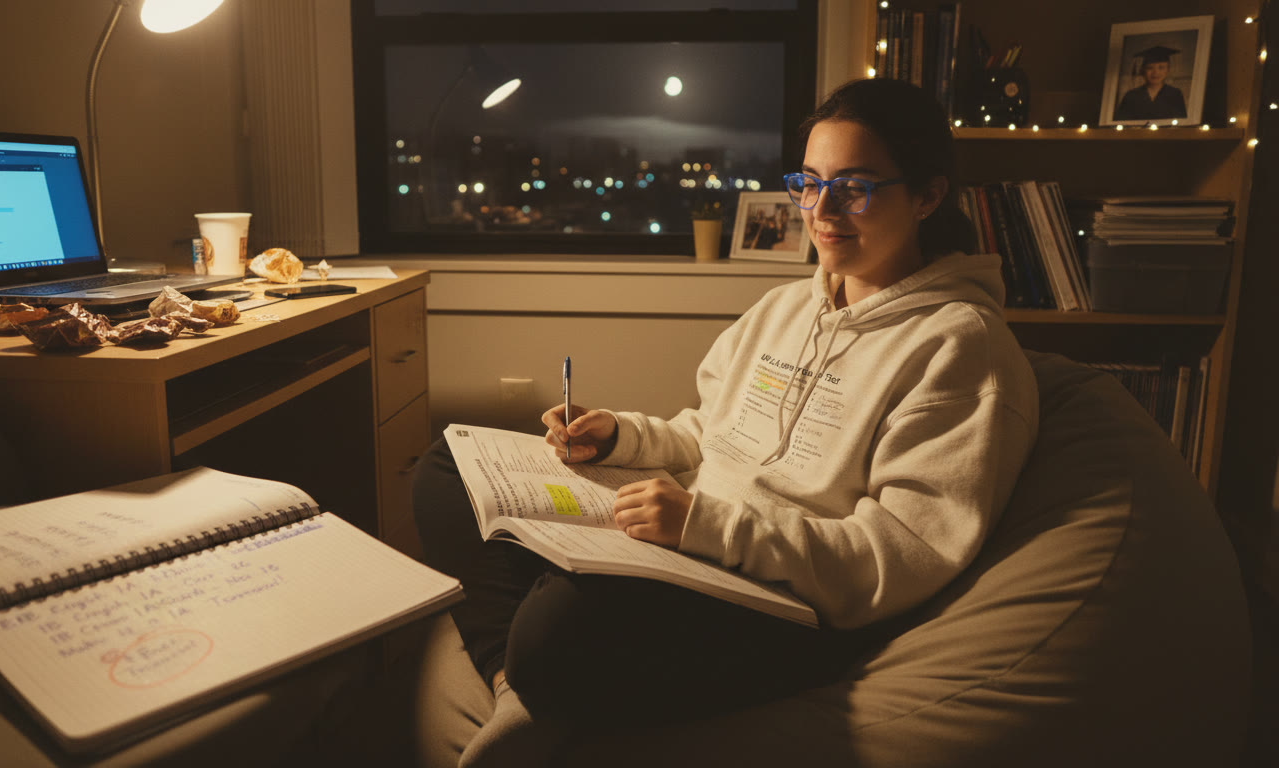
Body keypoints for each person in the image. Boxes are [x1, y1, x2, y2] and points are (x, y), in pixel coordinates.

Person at [413, 76, 1039, 767]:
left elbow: (898, 555)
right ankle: (518, 693)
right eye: (810, 182)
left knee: (555, 624)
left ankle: (527, 673)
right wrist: (619, 435)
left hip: (786, 605)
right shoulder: (783, 311)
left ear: (927, 195)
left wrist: (708, 527)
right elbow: (707, 432)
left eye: (854, 187)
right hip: (692, 550)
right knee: (449, 466)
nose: (822, 210)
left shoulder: (959, 345)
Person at [1113, 45, 1188, 121]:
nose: (1155, 72)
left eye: (1161, 67)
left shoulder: (1175, 94)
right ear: (1143, 71)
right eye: (1150, 68)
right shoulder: (1131, 96)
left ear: (1168, 70)